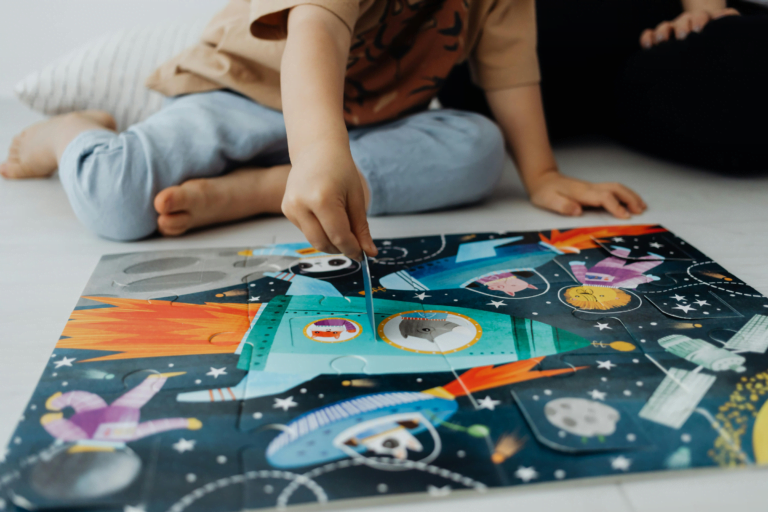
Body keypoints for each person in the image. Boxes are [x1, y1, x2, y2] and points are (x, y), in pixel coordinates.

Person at [0, 0, 646, 261]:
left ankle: (261, 188)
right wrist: (318, 151)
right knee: (116, 202)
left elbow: (509, 74)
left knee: (478, 150)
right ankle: (73, 132)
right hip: (242, 94)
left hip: (364, 127)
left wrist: (541, 174)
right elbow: (318, 29)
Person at [439, 0, 768, 173]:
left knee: (739, 61)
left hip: (662, 29)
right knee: (468, 78)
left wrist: (703, 15)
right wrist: (541, 174)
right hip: (530, 55)